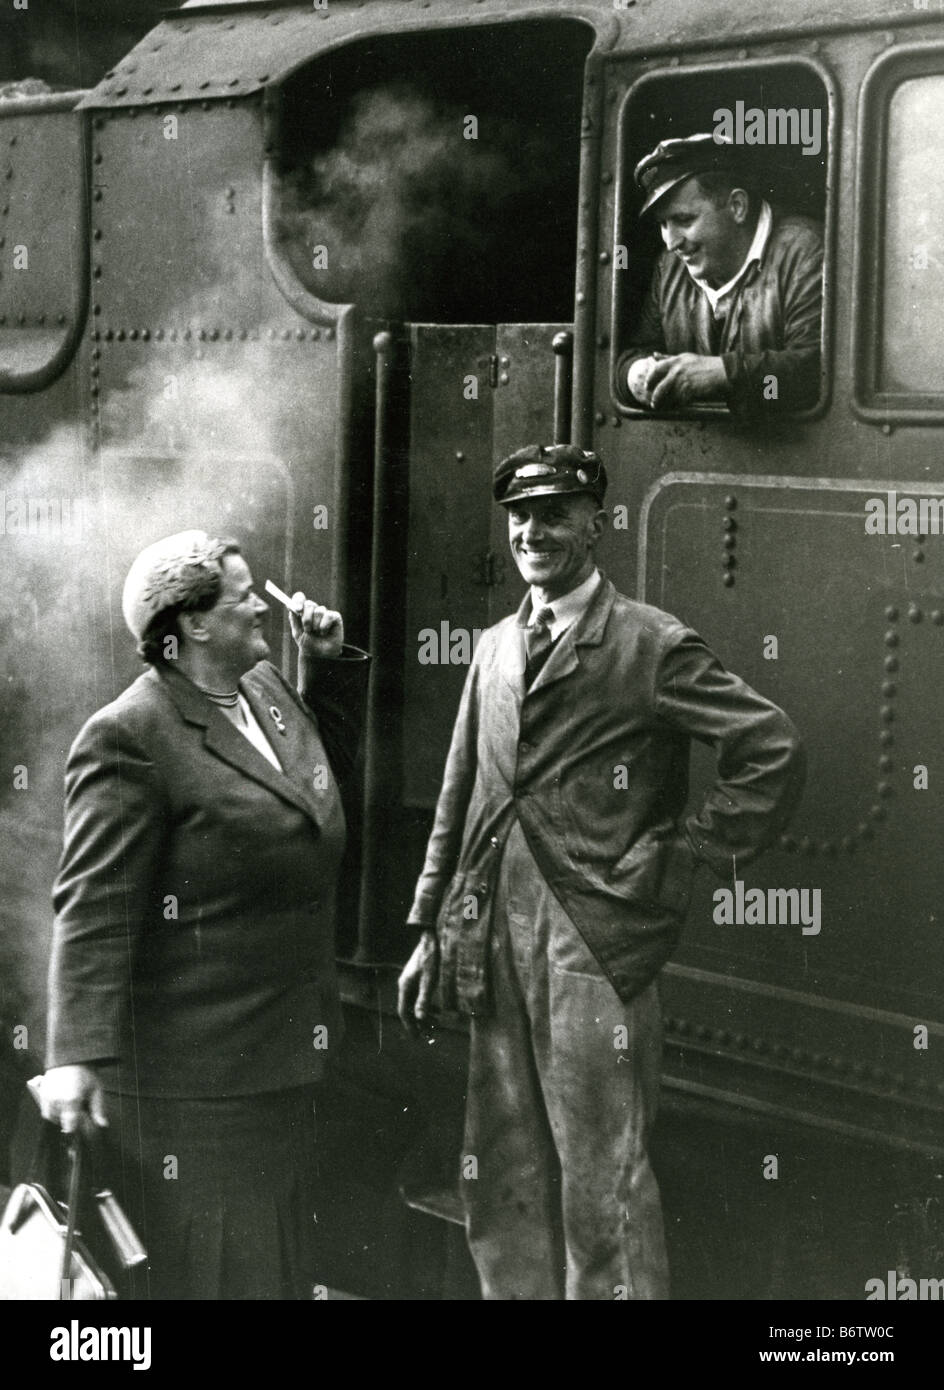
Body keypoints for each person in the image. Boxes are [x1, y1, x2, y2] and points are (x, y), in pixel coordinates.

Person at [397, 444, 805, 1300]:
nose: (532, 532)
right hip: (493, 941)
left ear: (596, 523)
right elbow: (461, 791)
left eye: (553, 514)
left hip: (595, 940)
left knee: (603, 1183)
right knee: (498, 1173)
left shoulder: (649, 643)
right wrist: (430, 923)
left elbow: (769, 747)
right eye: (519, 518)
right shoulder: (498, 646)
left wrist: (684, 849)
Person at [39, 530, 368, 1299]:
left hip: (277, 1052)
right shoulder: (131, 735)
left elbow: (314, 799)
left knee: (263, 1265)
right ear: (191, 625)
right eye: (242, 594)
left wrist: (326, 671)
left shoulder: (263, 691)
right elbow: (92, 904)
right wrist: (73, 1056)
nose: (263, 604)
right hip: (198, 1083)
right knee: (216, 1268)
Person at [616, 132, 823, 414]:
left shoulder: (806, 251)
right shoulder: (670, 267)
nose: (671, 242)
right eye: (664, 224)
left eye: (684, 220)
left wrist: (722, 375)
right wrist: (635, 375)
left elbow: (814, 374)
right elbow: (630, 355)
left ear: (737, 207)